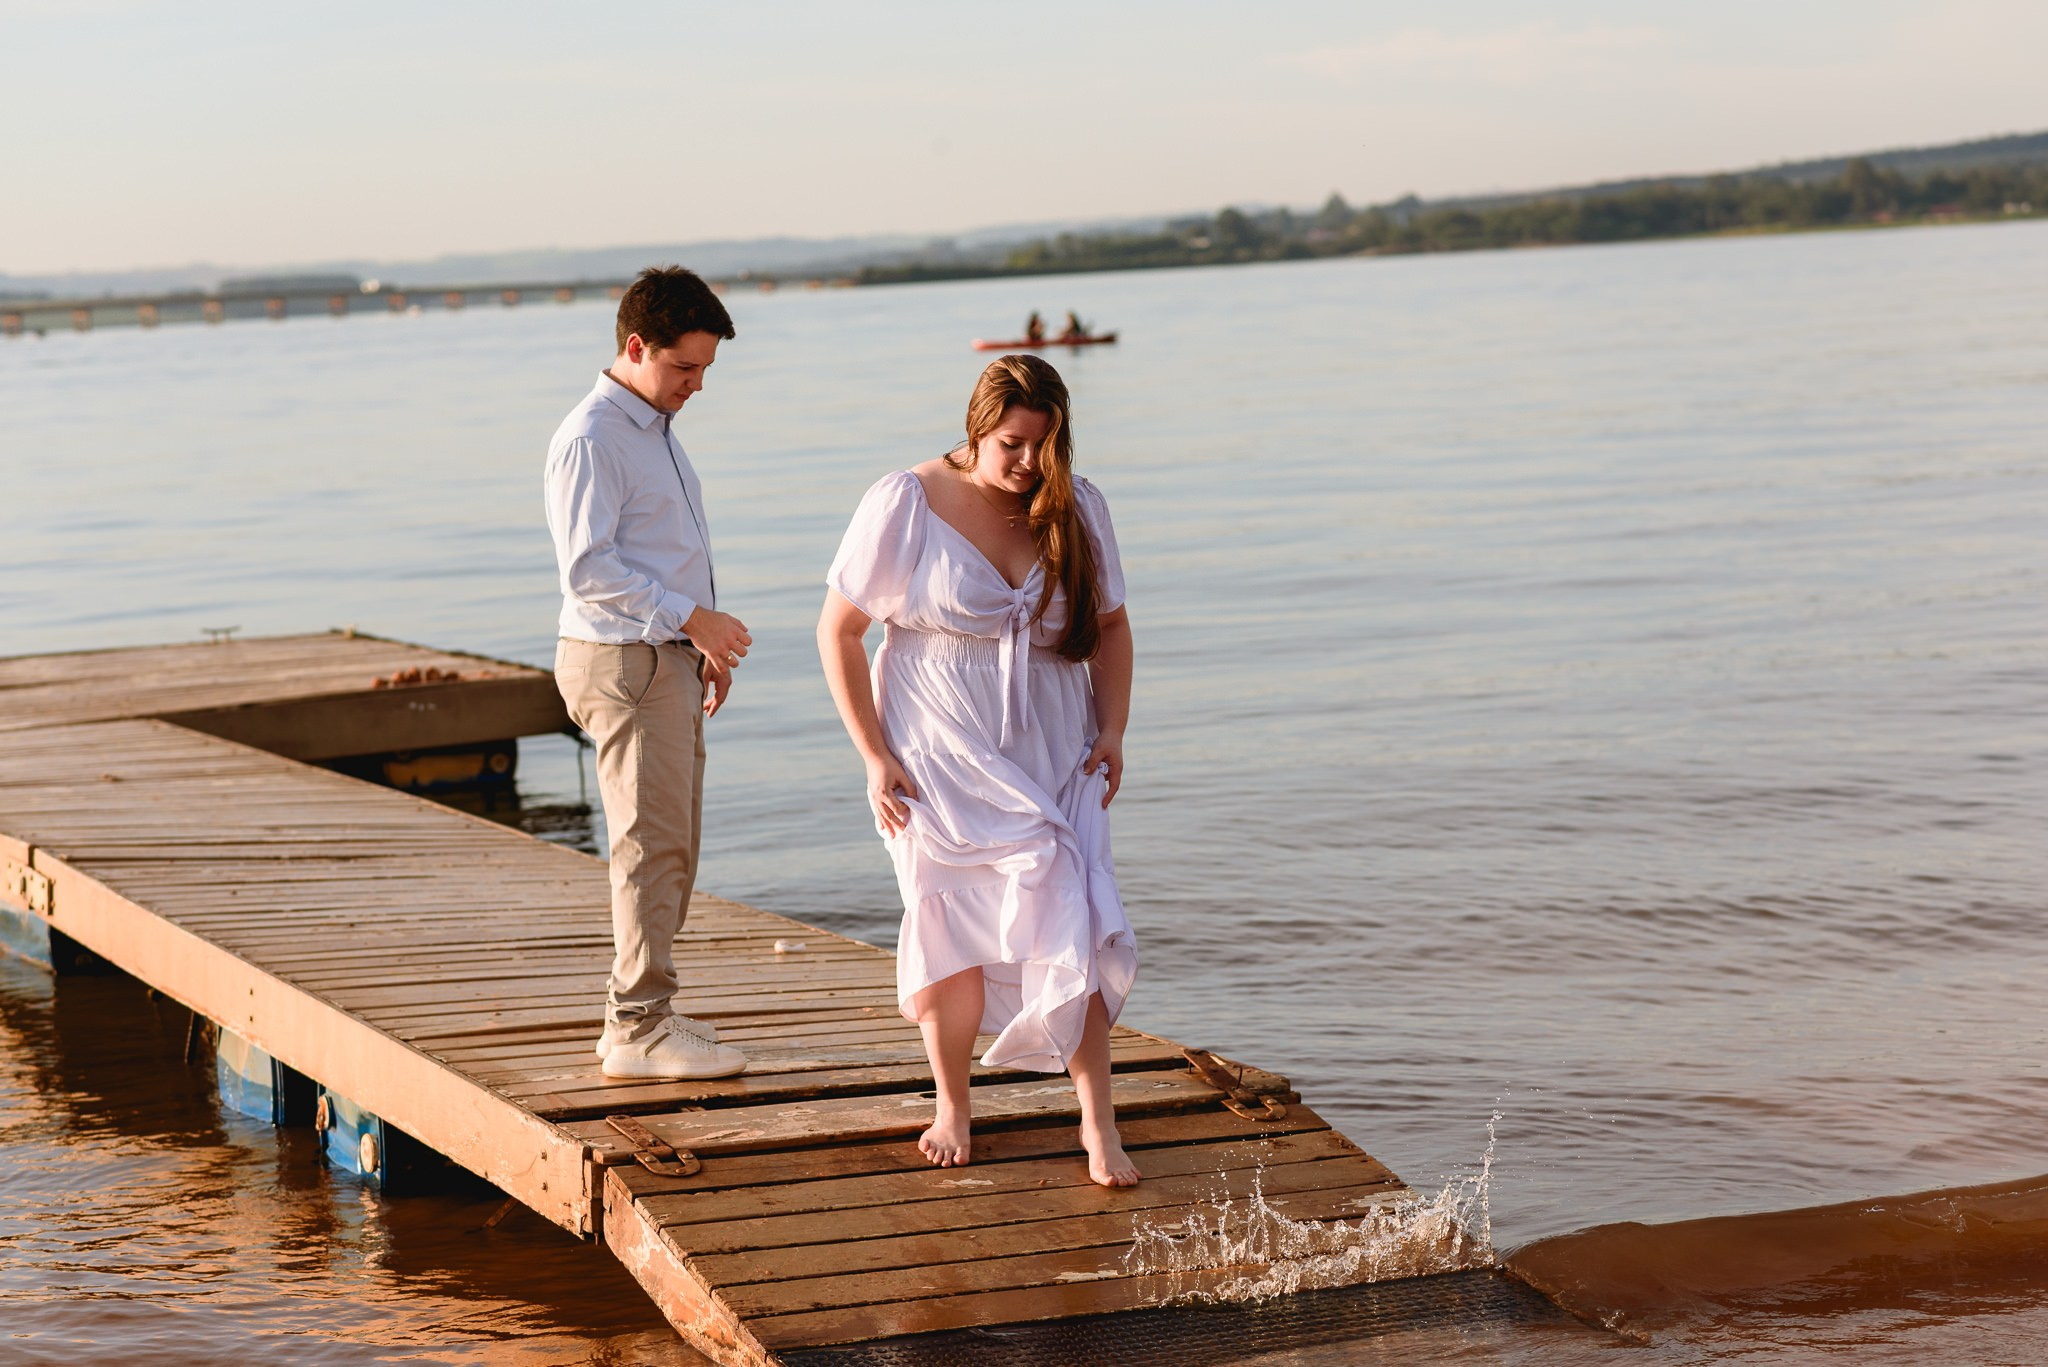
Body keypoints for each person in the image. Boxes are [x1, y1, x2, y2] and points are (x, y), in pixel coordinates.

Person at [817, 354, 1141, 1188]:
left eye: (1044, 445)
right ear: (976, 429)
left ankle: (1098, 1121)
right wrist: (874, 755)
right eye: (1012, 444)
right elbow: (840, 631)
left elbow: (1110, 627)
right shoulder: (907, 500)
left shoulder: (1076, 506)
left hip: (1054, 743)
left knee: (1074, 911)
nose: (1029, 463)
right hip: (935, 749)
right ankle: (954, 1104)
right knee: (947, 922)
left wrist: (1112, 728)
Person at [543, 265, 751, 1081]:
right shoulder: (594, 436)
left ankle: (640, 1012)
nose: (696, 385)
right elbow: (588, 569)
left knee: (673, 844)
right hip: (623, 661)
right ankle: (637, 1026)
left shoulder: (652, 427)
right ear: (636, 347)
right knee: (649, 844)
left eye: (705, 368)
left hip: (660, 656)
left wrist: (699, 644)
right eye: (684, 366)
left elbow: (660, 549)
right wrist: (692, 619)